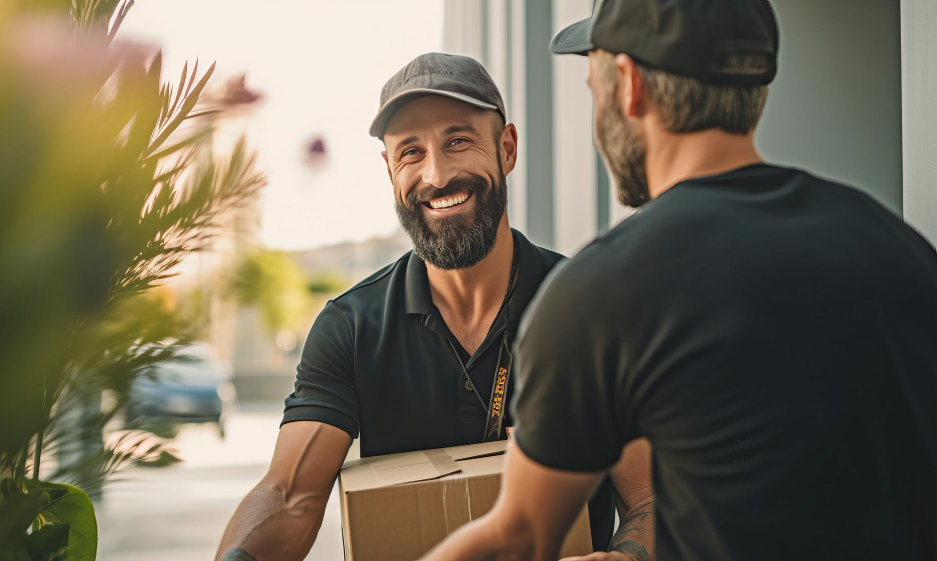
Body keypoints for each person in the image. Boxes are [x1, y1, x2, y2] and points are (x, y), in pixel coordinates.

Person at [422, 1, 937, 560]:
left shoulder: (599, 295)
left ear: (627, 83)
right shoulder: (899, 248)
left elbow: (519, 538)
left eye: (592, 79)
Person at [214, 53, 655, 561]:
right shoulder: (351, 329)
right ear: (389, 170)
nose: (437, 174)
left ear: (506, 149)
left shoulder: (589, 310)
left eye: (458, 141)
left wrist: (628, 558)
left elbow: (649, 498)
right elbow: (289, 496)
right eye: (410, 152)